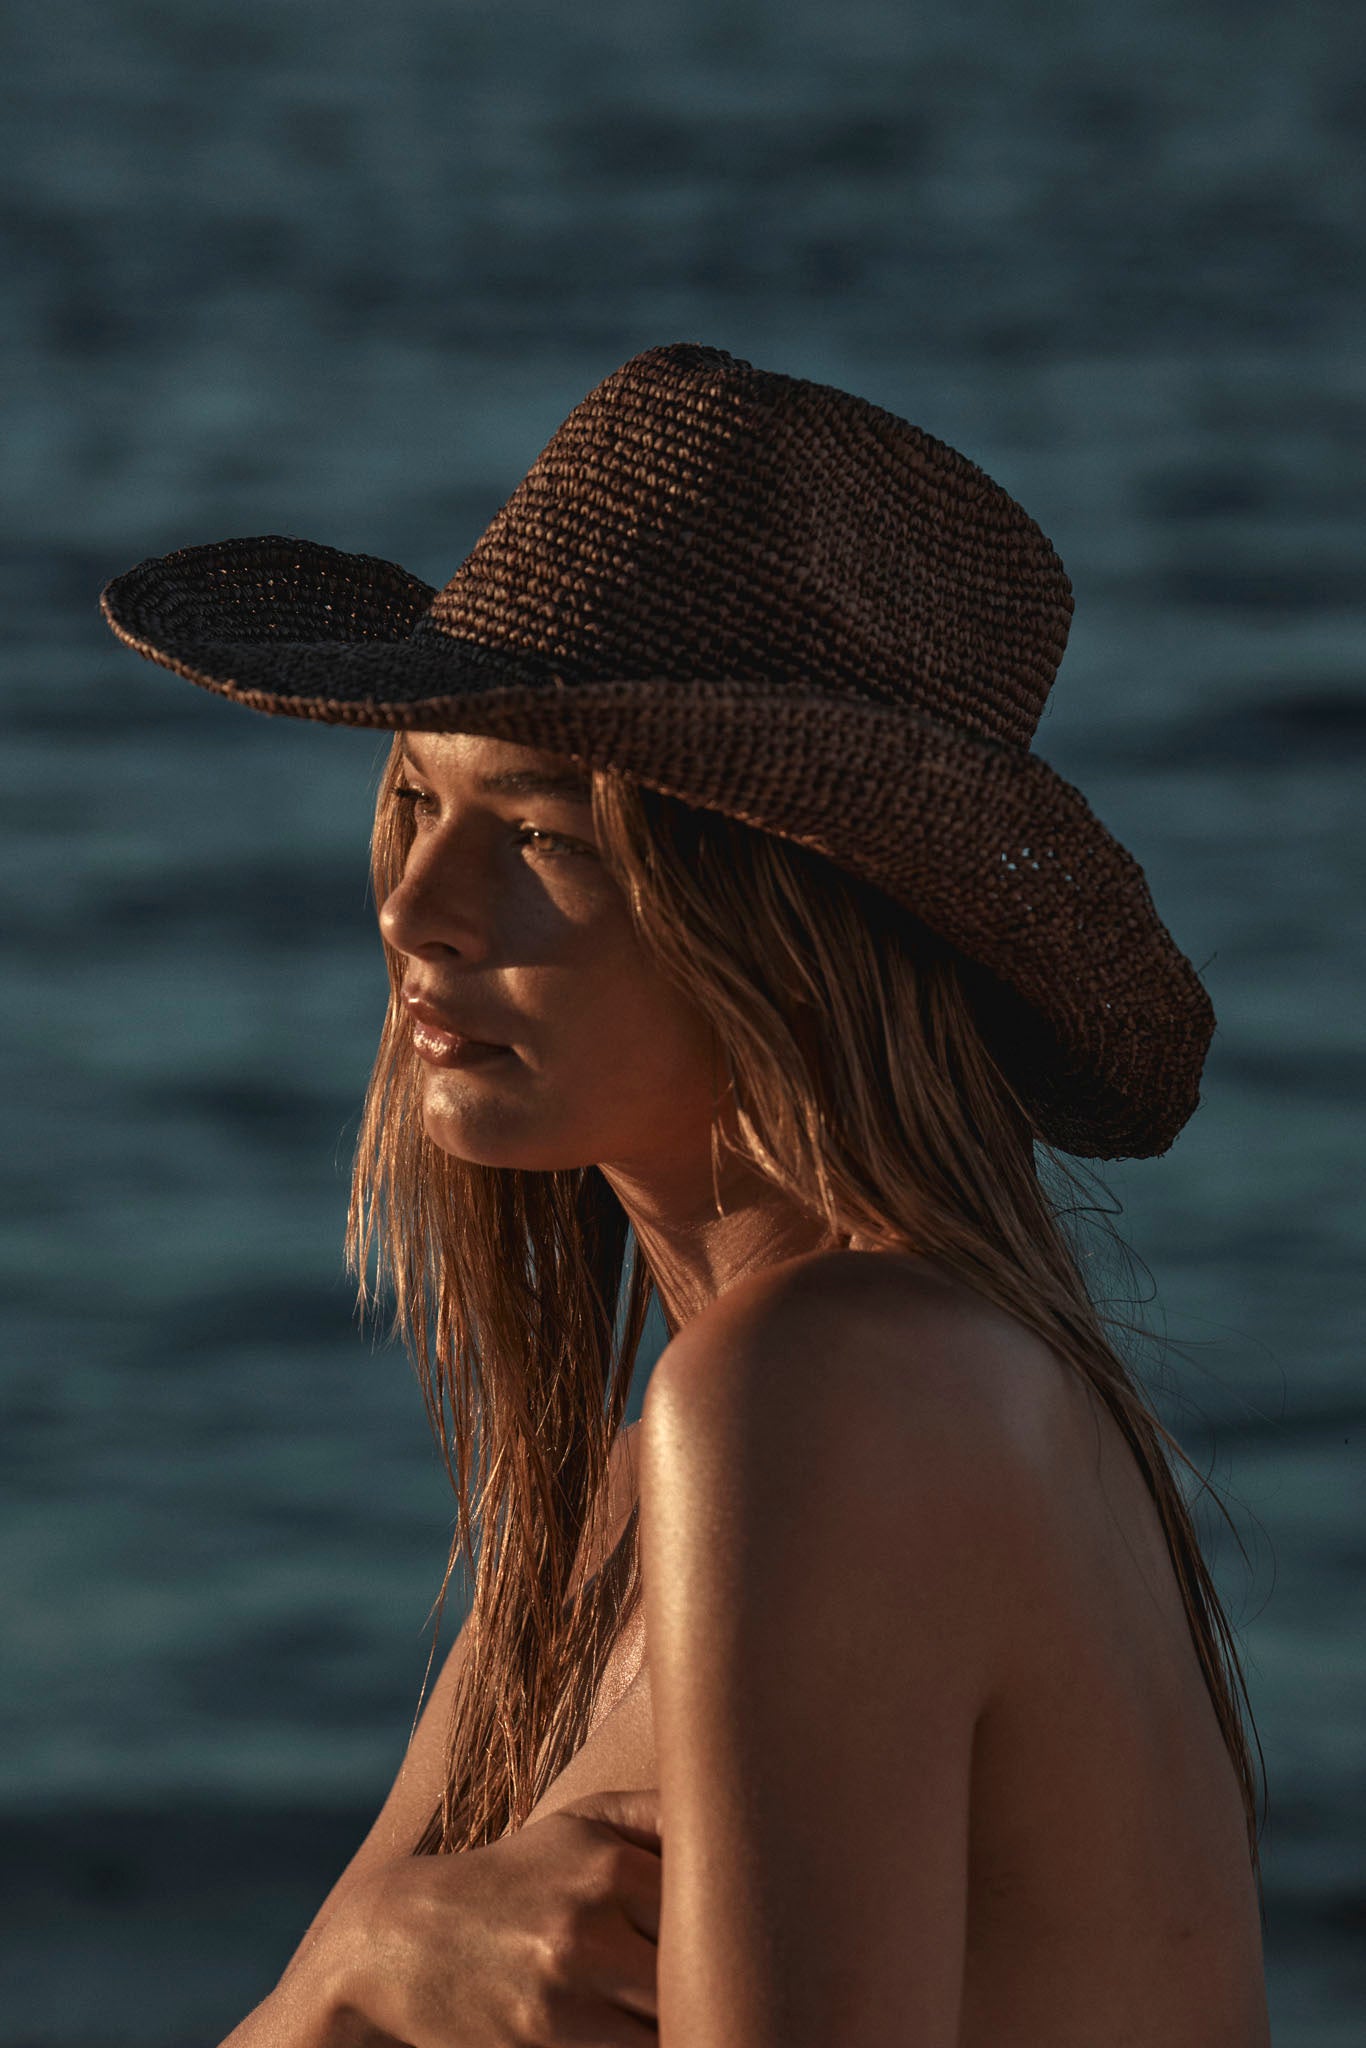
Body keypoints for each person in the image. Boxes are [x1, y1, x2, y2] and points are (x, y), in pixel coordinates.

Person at [101, 343, 1271, 2046]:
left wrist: (367, 1951)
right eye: (417, 804)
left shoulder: (826, 1394)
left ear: (789, 929)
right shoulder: (644, 1487)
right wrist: (379, 1947)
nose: (417, 909)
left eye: (547, 834)